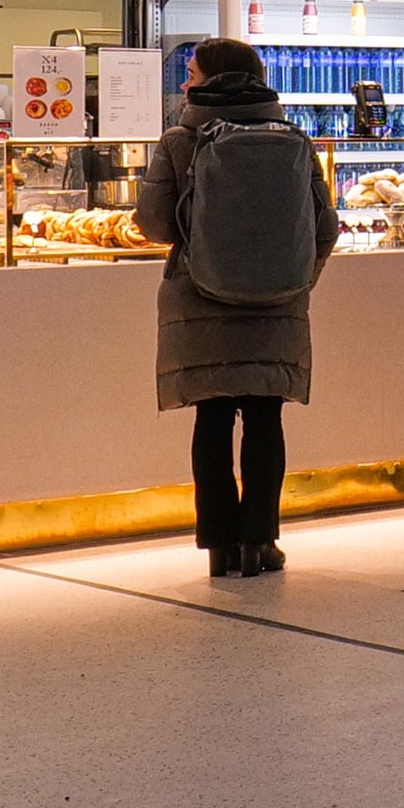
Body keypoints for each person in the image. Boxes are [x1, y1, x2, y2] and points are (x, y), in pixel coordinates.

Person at [137, 35, 336, 579]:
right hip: (279, 302)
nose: (185, 82)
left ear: (213, 79)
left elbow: (153, 224)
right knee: (266, 420)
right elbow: (325, 227)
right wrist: (299, 282)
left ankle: (219, 547)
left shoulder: (180, 139)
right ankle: (260, 543)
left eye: (193, 73)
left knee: (213, 418)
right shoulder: (293, 138)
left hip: (199, 299)